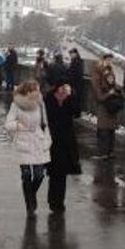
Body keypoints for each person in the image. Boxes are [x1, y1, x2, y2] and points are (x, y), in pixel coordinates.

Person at [4, 80, 52, 217]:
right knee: (26, 175)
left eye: (38, 90)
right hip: (23, 141)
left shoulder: (41, 104)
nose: (38, 92)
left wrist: (48, 139)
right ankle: (30, 205)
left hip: (38, 140)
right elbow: (8, 124)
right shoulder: (16, 105)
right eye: (35, 90)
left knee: (39, 175)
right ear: (27, 91)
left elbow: (45, 123)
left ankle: (31, 196)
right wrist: (18, 126)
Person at [44, 80, 81, 213]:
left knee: (62, 174)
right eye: (61, 87)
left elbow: (77, 112)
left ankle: (59, 201)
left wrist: (70, 97)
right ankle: (52, 200)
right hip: (52, 141)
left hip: (66, 141)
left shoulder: (69, 98)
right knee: (54, 174)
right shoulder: (48, 99)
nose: (63, 90)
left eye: (65, 87)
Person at [91, 53, 123, 159]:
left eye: (111, 60)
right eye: (108, 59)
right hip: (105, 103)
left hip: (110, 103)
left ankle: (108, 152)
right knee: (104, 129)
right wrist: (109, 93)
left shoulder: (109, 69)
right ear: (103, 59)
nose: (110, 61)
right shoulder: (98, 70)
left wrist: (118, 89)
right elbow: (97, 89)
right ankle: (104, 152)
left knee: (109, 129)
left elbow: (113, 83)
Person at [67, 48, 84, 118]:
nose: (70, 55)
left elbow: (76, 73)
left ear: (75, 53)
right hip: (75, 83)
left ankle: (76, 114)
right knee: (75, 99)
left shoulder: (77, 61)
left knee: (75, 99)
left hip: (76, 84)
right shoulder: (76, 60)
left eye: (71, 54)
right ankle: (75, 113)